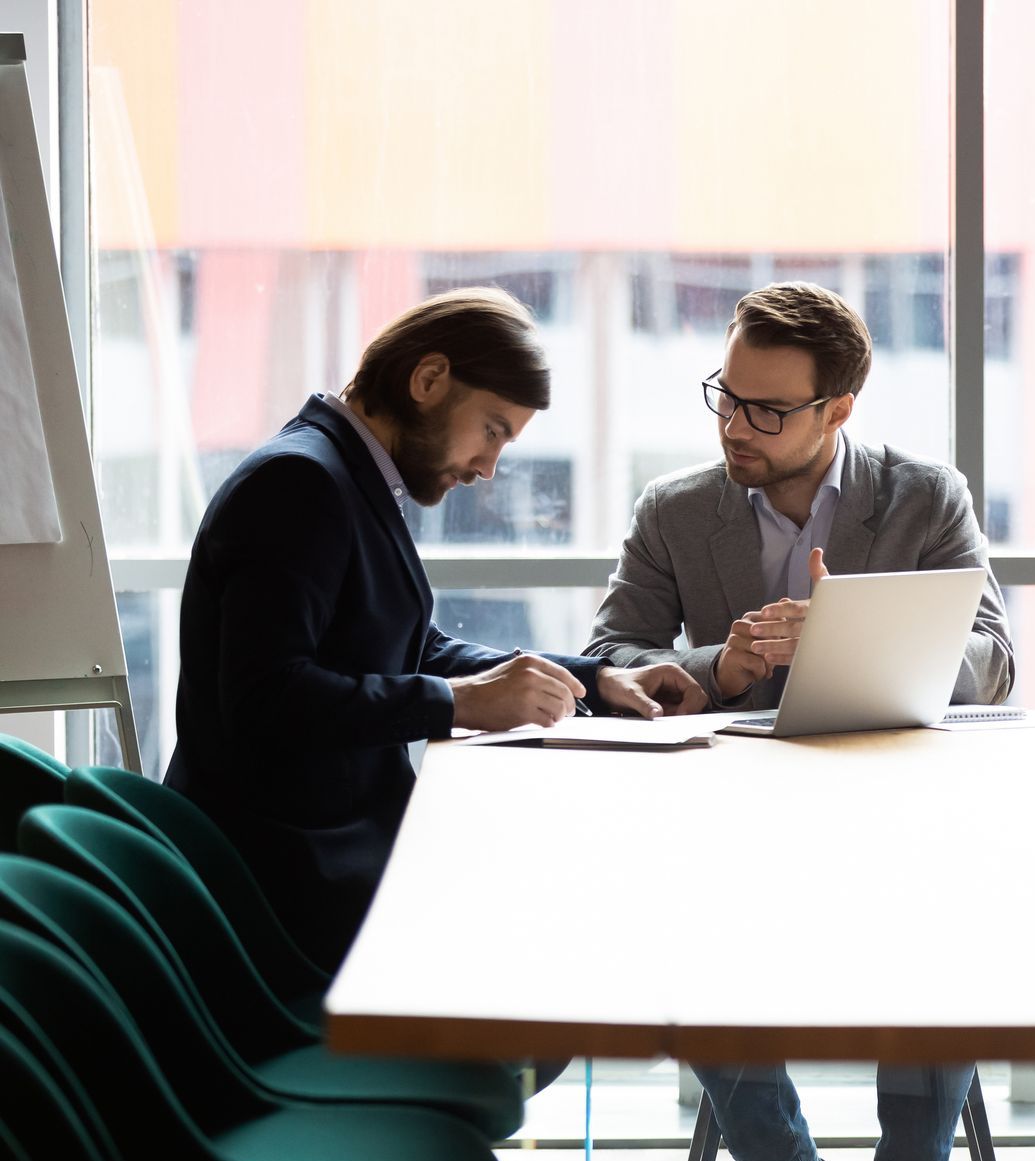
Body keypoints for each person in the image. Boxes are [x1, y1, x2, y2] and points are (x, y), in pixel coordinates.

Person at [586, 282, 1013, 1161]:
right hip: (730, 828)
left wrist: (859, 632)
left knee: (940, 936)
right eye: (726, 396)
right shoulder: (677, 510)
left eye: (768, 409)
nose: (737, 424)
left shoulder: (923, 497)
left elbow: (993, 656)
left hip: (896, 816)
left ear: (839, 410)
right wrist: (715, 670)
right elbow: (609, 655)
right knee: (679, 930)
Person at [165, 288, 705, 973]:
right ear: (428, 380)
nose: (488, 469)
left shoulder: (345, 476)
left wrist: (595, 679)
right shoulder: (299, 484)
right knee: (557, 937)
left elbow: (409, 647)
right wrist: (456, 704)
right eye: (493, 430)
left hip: (330, 855)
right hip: (289, 887)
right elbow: (265, 700)